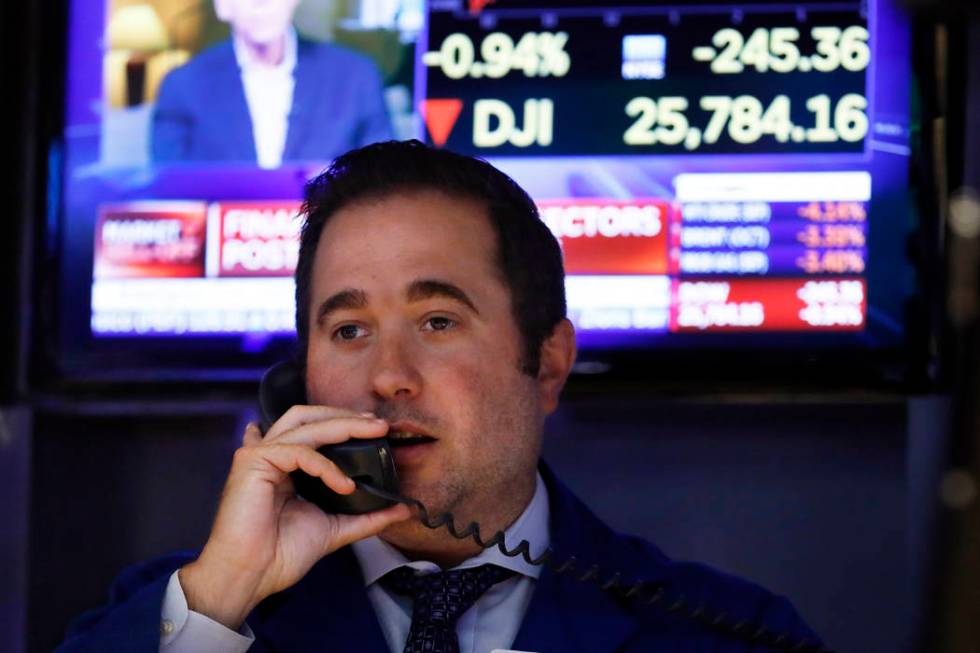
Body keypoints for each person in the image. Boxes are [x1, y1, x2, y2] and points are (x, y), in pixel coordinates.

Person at [56, 140, 824, 652]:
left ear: (548, 361)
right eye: (349, 330)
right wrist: (224, 594)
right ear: (300, 380)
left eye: (437, 319)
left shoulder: (730, 631)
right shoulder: (191, 611)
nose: (387, 375)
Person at [151, 0, 392, 167]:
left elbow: (381, 181)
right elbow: (172, 191)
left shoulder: (355, 77)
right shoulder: (183, 86)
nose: (262, 2)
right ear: (222, 6)